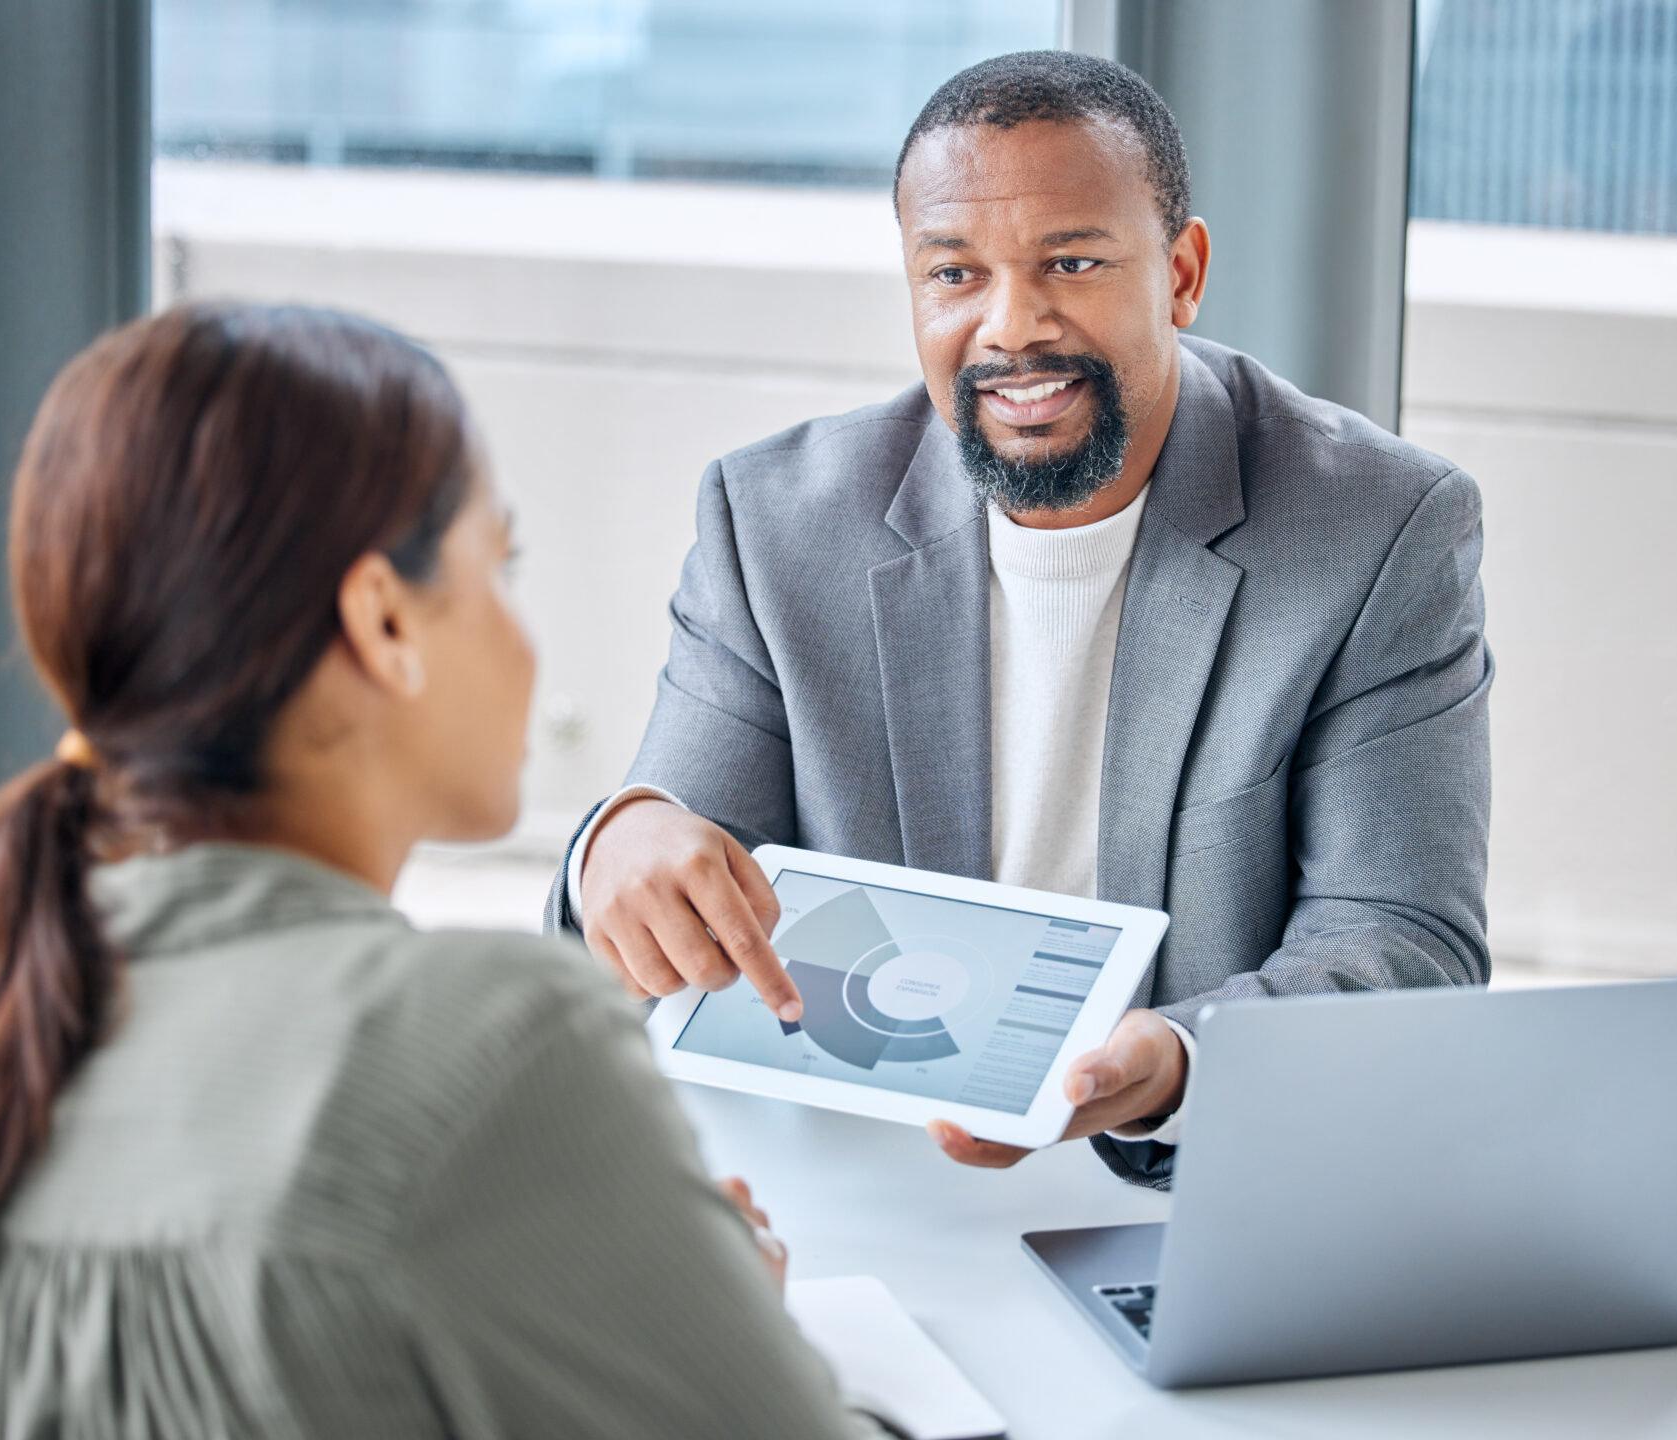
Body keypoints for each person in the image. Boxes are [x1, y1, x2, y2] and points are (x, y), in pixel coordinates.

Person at [0, 303, 896, 1438]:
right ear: (383, 623)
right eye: (499, 565)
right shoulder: (495, 1044)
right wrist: (725, 1337)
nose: (521, 632)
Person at [550, 50, 1492, 1188]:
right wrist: (615, 845)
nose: (1012, 328)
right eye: (953, 274)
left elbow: (1403, 938)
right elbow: (677, 880)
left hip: (1189, 1188)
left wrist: (1181, 1065)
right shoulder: (774, 523)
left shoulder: (1375, 528)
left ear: (1181, 274)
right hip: (858, 1183)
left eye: (1072, 261)